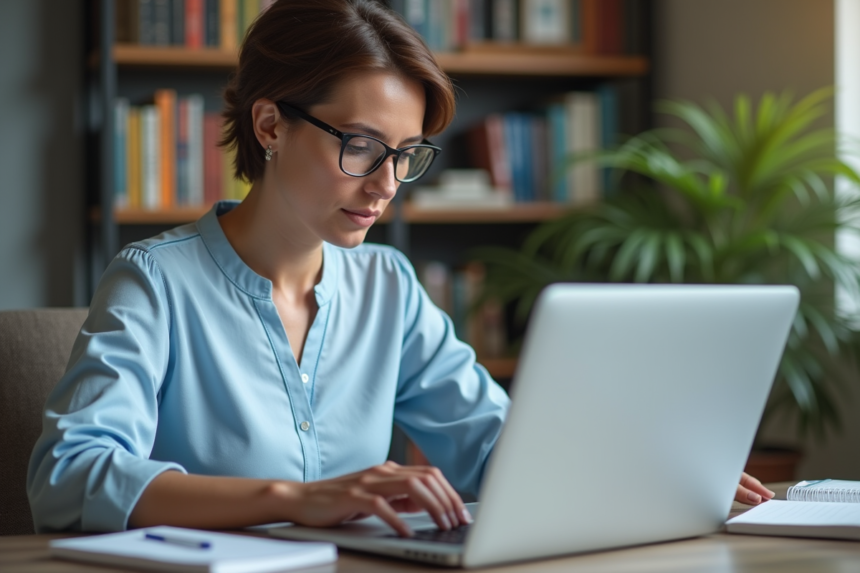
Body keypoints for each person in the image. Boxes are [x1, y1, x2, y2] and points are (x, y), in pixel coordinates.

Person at [27, 0, 773, 537]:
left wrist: (652, 473)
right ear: (270, 125)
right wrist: (293, 498)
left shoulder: (387, 286)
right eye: (360, 145)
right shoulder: (155, 282)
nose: (386, 183)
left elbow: (494, 447)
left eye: (406, 155)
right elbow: (67, 475)